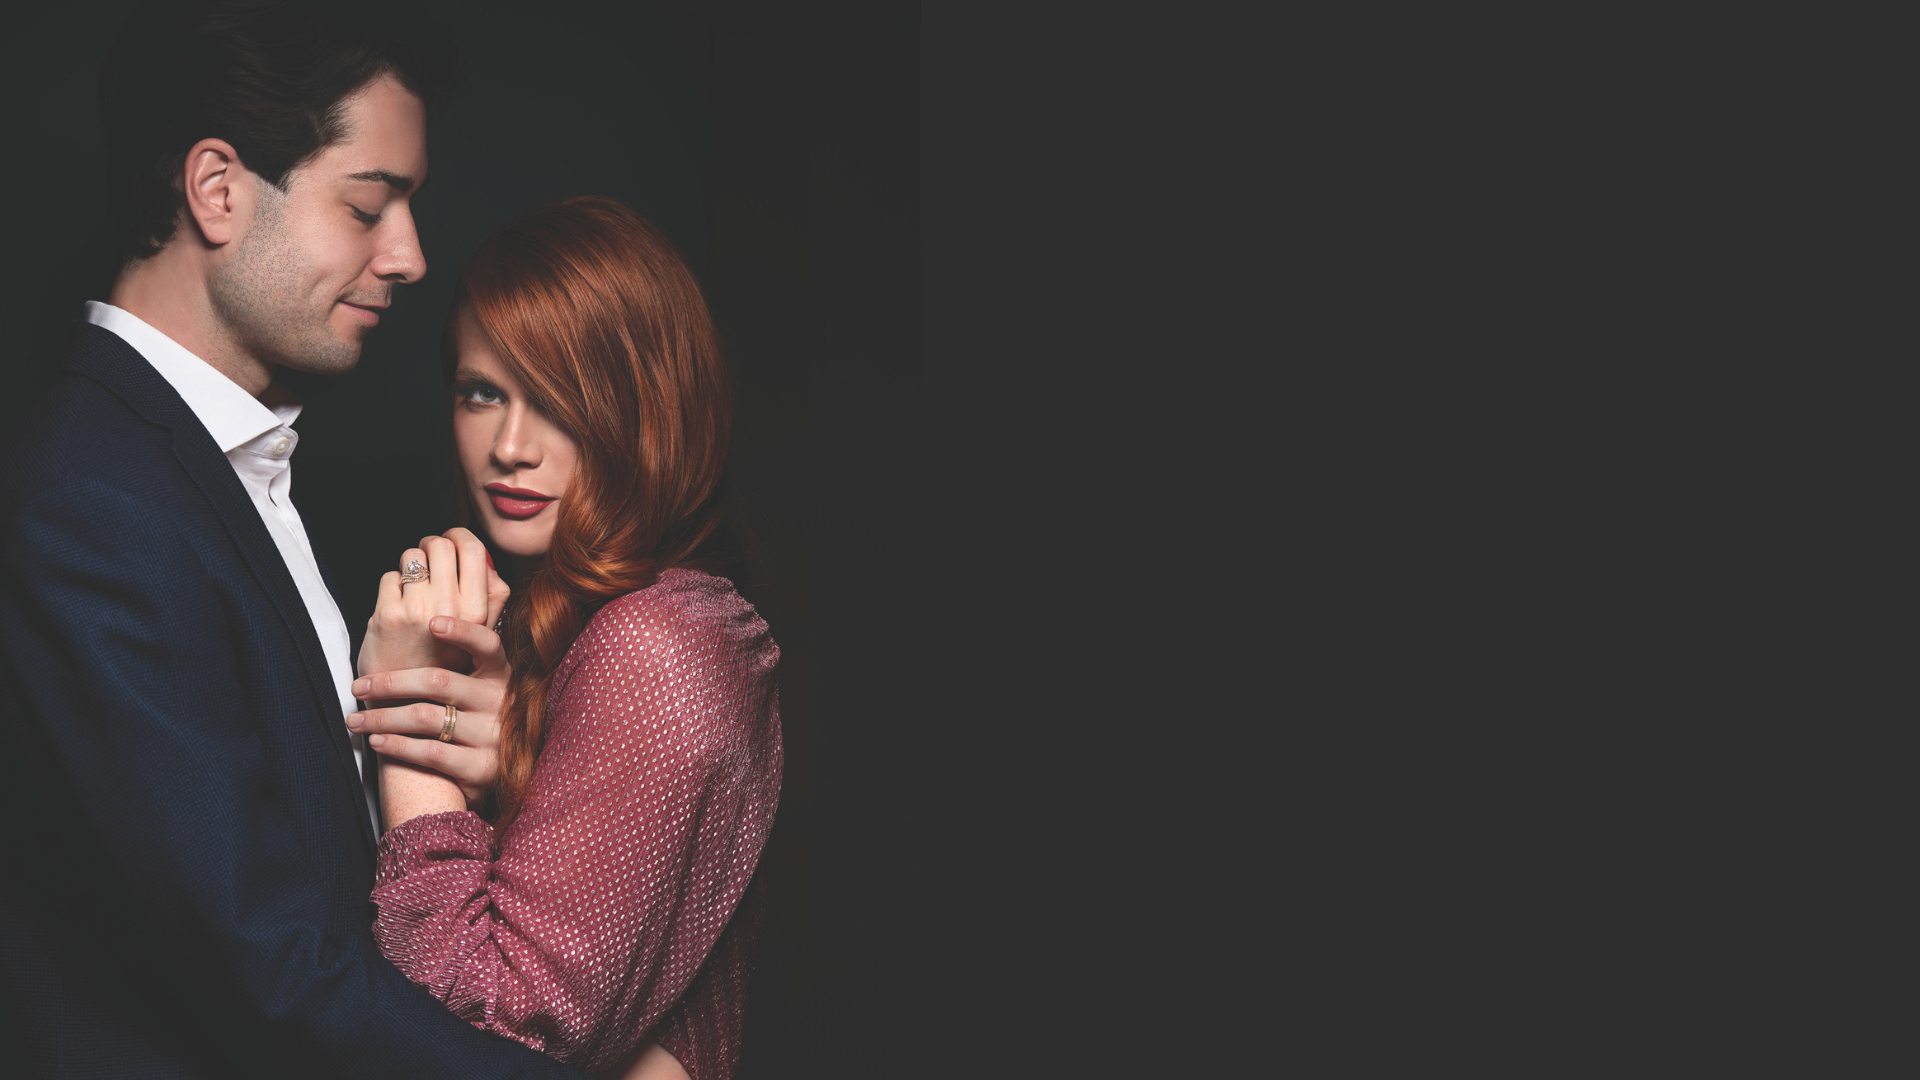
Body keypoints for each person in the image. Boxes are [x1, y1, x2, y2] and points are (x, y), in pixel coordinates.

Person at [0, 2, 588, 1076]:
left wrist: (465, 760)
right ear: (217, 190)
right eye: (370, 206)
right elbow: (272, 974)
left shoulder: (208, 466)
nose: (409, 256)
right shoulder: (92, 508)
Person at [342, 196, 782, 1080]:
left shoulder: (657, 646)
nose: (510, 445)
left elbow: (490, 1033)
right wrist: (510, 755)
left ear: (651, 406)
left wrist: (411, 734)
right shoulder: (604, 630)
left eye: (560, 399)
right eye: (482, 393)